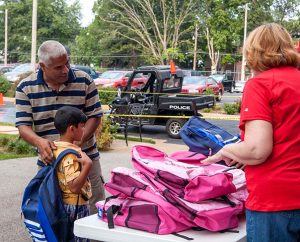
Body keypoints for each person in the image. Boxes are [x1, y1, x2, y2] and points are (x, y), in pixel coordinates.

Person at [202, 23, 300, 242]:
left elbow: (257, 150)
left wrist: (226, 149)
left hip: (275, 201)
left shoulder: (261, 84)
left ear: (253, 52)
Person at [15, 40, 105, 214]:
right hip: (50, 163)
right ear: (42, 66)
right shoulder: (26, 87)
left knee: (94, 213)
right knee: (53, 214)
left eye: (67, 63)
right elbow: (23, 126)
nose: (65, 70)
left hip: (86, 159)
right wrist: (40, 143)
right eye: (58, 67)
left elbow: (95, 116)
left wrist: (77, 143)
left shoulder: (84, 80)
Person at [54, 106, 92, 242]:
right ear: (72, 129)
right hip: (75, 206)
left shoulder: (55, 147)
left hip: (62, 203)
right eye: (82, 127)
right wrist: (88, 165)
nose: (84, 130)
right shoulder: (71, 154)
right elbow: (74, 187)